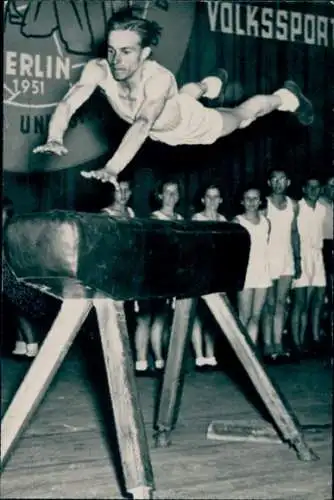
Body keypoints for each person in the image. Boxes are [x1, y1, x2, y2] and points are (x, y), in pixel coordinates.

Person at [33, 8, 314, 188]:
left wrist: (112, 168)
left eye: (126, 52)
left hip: (190, 125)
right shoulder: (98, 69)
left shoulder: (158, 78)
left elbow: (143, 123)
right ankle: (211, 84)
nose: (115, 60)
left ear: (144, 54)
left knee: (242, 117)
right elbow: (69, 102)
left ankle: (285, 97)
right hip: (167, 116)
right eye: (111, 50)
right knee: (182, 97)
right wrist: (55, 136)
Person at [134, 179, 183, 375]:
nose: (171, 197)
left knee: (161, 319)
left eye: (175, 192)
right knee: (144, 319)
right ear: (160, 196)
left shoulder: (180, 219)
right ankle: (141, 362)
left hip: (169, 278)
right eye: (167, 192)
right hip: (150, 276)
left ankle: (160, 361)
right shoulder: (153, 219)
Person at [2, 198, 59, 358]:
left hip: (16, 277)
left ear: (8, 215)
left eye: (3, 214)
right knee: (15, 310)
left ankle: (32, 345)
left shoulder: (12, 231)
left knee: (20, 310)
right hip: (9, 277)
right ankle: (21, 345)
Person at [261, 168, 301, 362]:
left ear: (288, 182)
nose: (278, 183)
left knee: (281, 303)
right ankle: (268, 345)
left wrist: (298, 259)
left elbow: (294, 233)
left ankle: (278, 343)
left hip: (287, 260)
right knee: (268, 304)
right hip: (268, 259)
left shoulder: (294, 205)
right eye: (274, 180)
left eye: (282, 179)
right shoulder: (264, 204)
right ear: (269, 183)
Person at [290, 174, 327, 356]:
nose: (314, 190)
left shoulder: (322, 209)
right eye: (310, 187)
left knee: (318, 300)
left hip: (317, 257)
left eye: (317, 187)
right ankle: (296, 343)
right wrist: (296, 260)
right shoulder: (297, 207)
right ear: (303, 189)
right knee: (300, 303)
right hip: (301, 256)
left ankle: (314, 339)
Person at [191, 184, 226, 370]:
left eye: (216, 196)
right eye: (209, 197)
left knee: (213, 315)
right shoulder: (196, 219)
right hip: (200, 273)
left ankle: (210, 355)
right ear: (203, 200)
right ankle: (199, 356)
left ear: (221, 200)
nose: (212, 201)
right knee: (197, 315)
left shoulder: (224, 220)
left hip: (217, 275)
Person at [233, 185, 272, 346]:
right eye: (247, 198)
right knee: (244, 317)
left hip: (262, 272)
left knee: (256, 316)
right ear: (242, 201)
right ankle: (240, 354)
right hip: (245, 274)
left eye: (255, 198)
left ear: (260, 201)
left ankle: (252, 354)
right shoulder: (237, 221)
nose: (251, 202)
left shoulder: (266, 222)